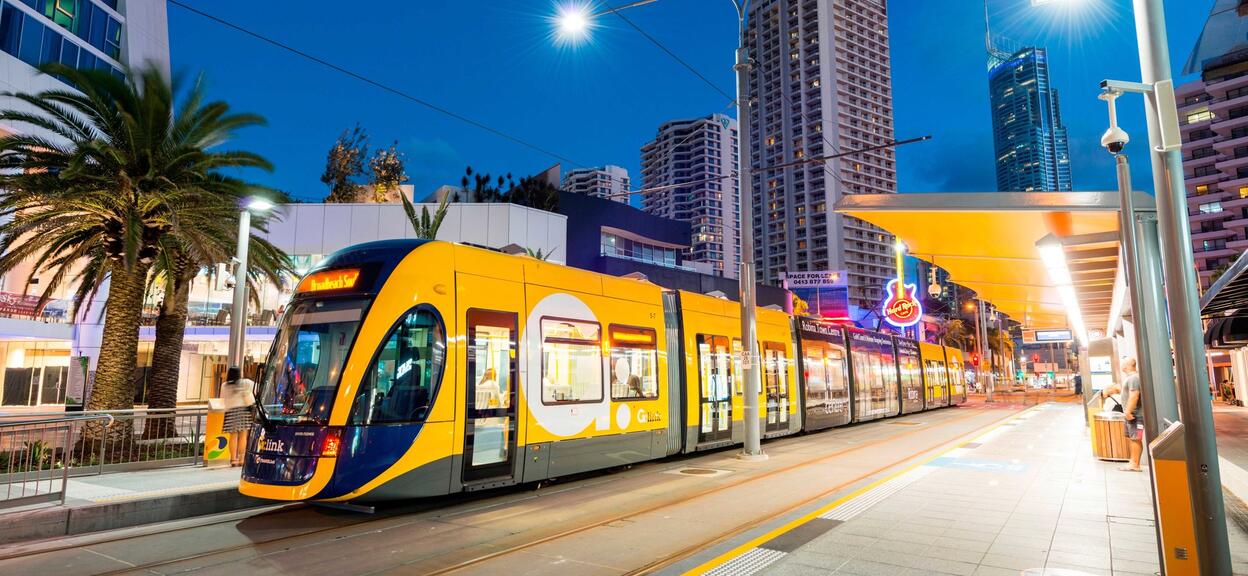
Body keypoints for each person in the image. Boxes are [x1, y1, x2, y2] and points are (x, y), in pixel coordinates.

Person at [219, 367, 256, 467]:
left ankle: (233, 459)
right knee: (243, 435)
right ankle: (241, 458)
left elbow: (222, 397)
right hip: (243, 411)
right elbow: (255, 389)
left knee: (233, 436)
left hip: (230, 411)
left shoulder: (224, 385)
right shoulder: (246, 383)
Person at [1119, 358, 1144, 472]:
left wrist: (1128, 411)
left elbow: (1134, 395)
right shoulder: (1130, 378)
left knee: (1136, 439)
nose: (1121, 365)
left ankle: (1135, 464)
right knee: (1133, 438)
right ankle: (1133, 462)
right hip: (1132, 415)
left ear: (1128, 365)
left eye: (1123, 363)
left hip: (1136, 415)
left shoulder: (1134, 378)